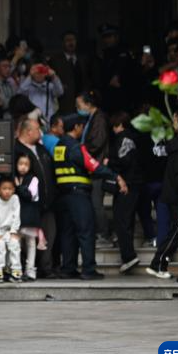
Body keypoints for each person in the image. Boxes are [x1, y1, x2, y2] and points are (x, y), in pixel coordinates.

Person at [52, 113, 126, 280]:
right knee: (86, 231)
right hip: (78, 195)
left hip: (63, 196)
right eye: (82, 126)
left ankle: (68, 268)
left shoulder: (59, 146)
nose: (83, 129)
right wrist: (115, 176)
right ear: (76, 127)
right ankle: (88, 269)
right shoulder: (76, 147)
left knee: (67, 233)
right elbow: (93, 166)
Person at [147, 113, 178, 279]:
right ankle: (157, 264)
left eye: (174, 120)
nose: (173, 123)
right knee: (177, 232)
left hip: (173, 191)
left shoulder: (176, 142)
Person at [14, 117, 57, 278]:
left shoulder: (42, 149)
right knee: (25, 239)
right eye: (38, 129)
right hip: (25, 205)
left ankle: (46, 268)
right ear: (28, 131)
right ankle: (25, 269)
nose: (41, 132)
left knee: (48, 236)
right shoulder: (15, 149)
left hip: (47, 202)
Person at [108, 111, 144, 273]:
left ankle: (128, 256)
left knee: (121, 220)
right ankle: (128, 254)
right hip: (135, 183)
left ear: (120, 125)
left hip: (126, 184)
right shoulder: (135, 138)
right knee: (126, 220)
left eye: (114, 125)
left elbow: (124, 161)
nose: (113, 129)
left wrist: (109, 162)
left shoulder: (123, 139)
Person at [77, 90, 112, 245]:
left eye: (79, 105)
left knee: (96, 202)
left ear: (88, 104)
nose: (78, 108)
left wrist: (82, 153)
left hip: (96, 164)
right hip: (92, 163)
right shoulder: (92, 118)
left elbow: (97, 142)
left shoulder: (99, 118)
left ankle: (104, 233)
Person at [13, 153, 42, 281]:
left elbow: (31, 195)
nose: (23, 167)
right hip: (16, 216)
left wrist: (19, 187)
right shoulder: (13, 178)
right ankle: (17, 269)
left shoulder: (33, 179)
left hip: (30, 216)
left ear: (30, 166)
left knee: (30, 243)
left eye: (26, 164)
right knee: (16, 244)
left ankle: (30, 270)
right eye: (20, 164)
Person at [46, 31, 88, 112]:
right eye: (67, 40)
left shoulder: (83, 59)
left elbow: (87, 78)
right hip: (64, 102)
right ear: (63, 43)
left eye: (73, 40)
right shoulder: (55, 60)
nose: (71, 43)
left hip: (82, 101)